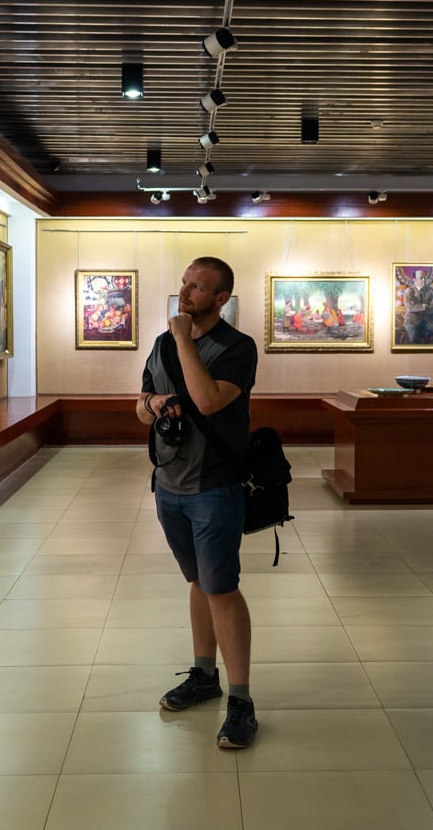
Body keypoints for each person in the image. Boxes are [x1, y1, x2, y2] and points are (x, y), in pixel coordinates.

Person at [136, 256, 260, 749]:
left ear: (221, 299)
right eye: (185, 283)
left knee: (221, 588)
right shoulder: (164, 343)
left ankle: (242, 700)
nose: (185, 293)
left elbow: (208, 401)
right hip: (170, 485)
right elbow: (139, 404)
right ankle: (204, 675)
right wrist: (153, 405)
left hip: (215, 487)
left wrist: (185, 339)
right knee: (197, 583)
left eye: (198, 287)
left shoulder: (237, 348)